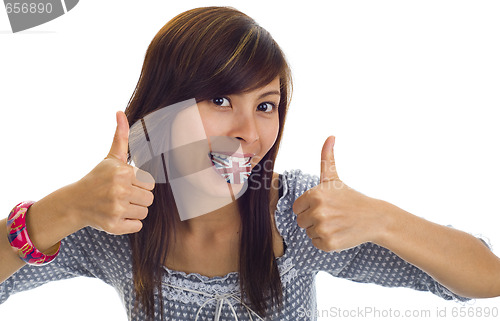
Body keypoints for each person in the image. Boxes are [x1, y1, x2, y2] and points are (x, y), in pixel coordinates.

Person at [1, 6, 500, 321]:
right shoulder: (119, 221)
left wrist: (382, 219)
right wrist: (58, 211)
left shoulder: (301, 215)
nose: (249, 131)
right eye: (220, 99)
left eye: (266, 105)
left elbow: (486, 279)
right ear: (162, 108)